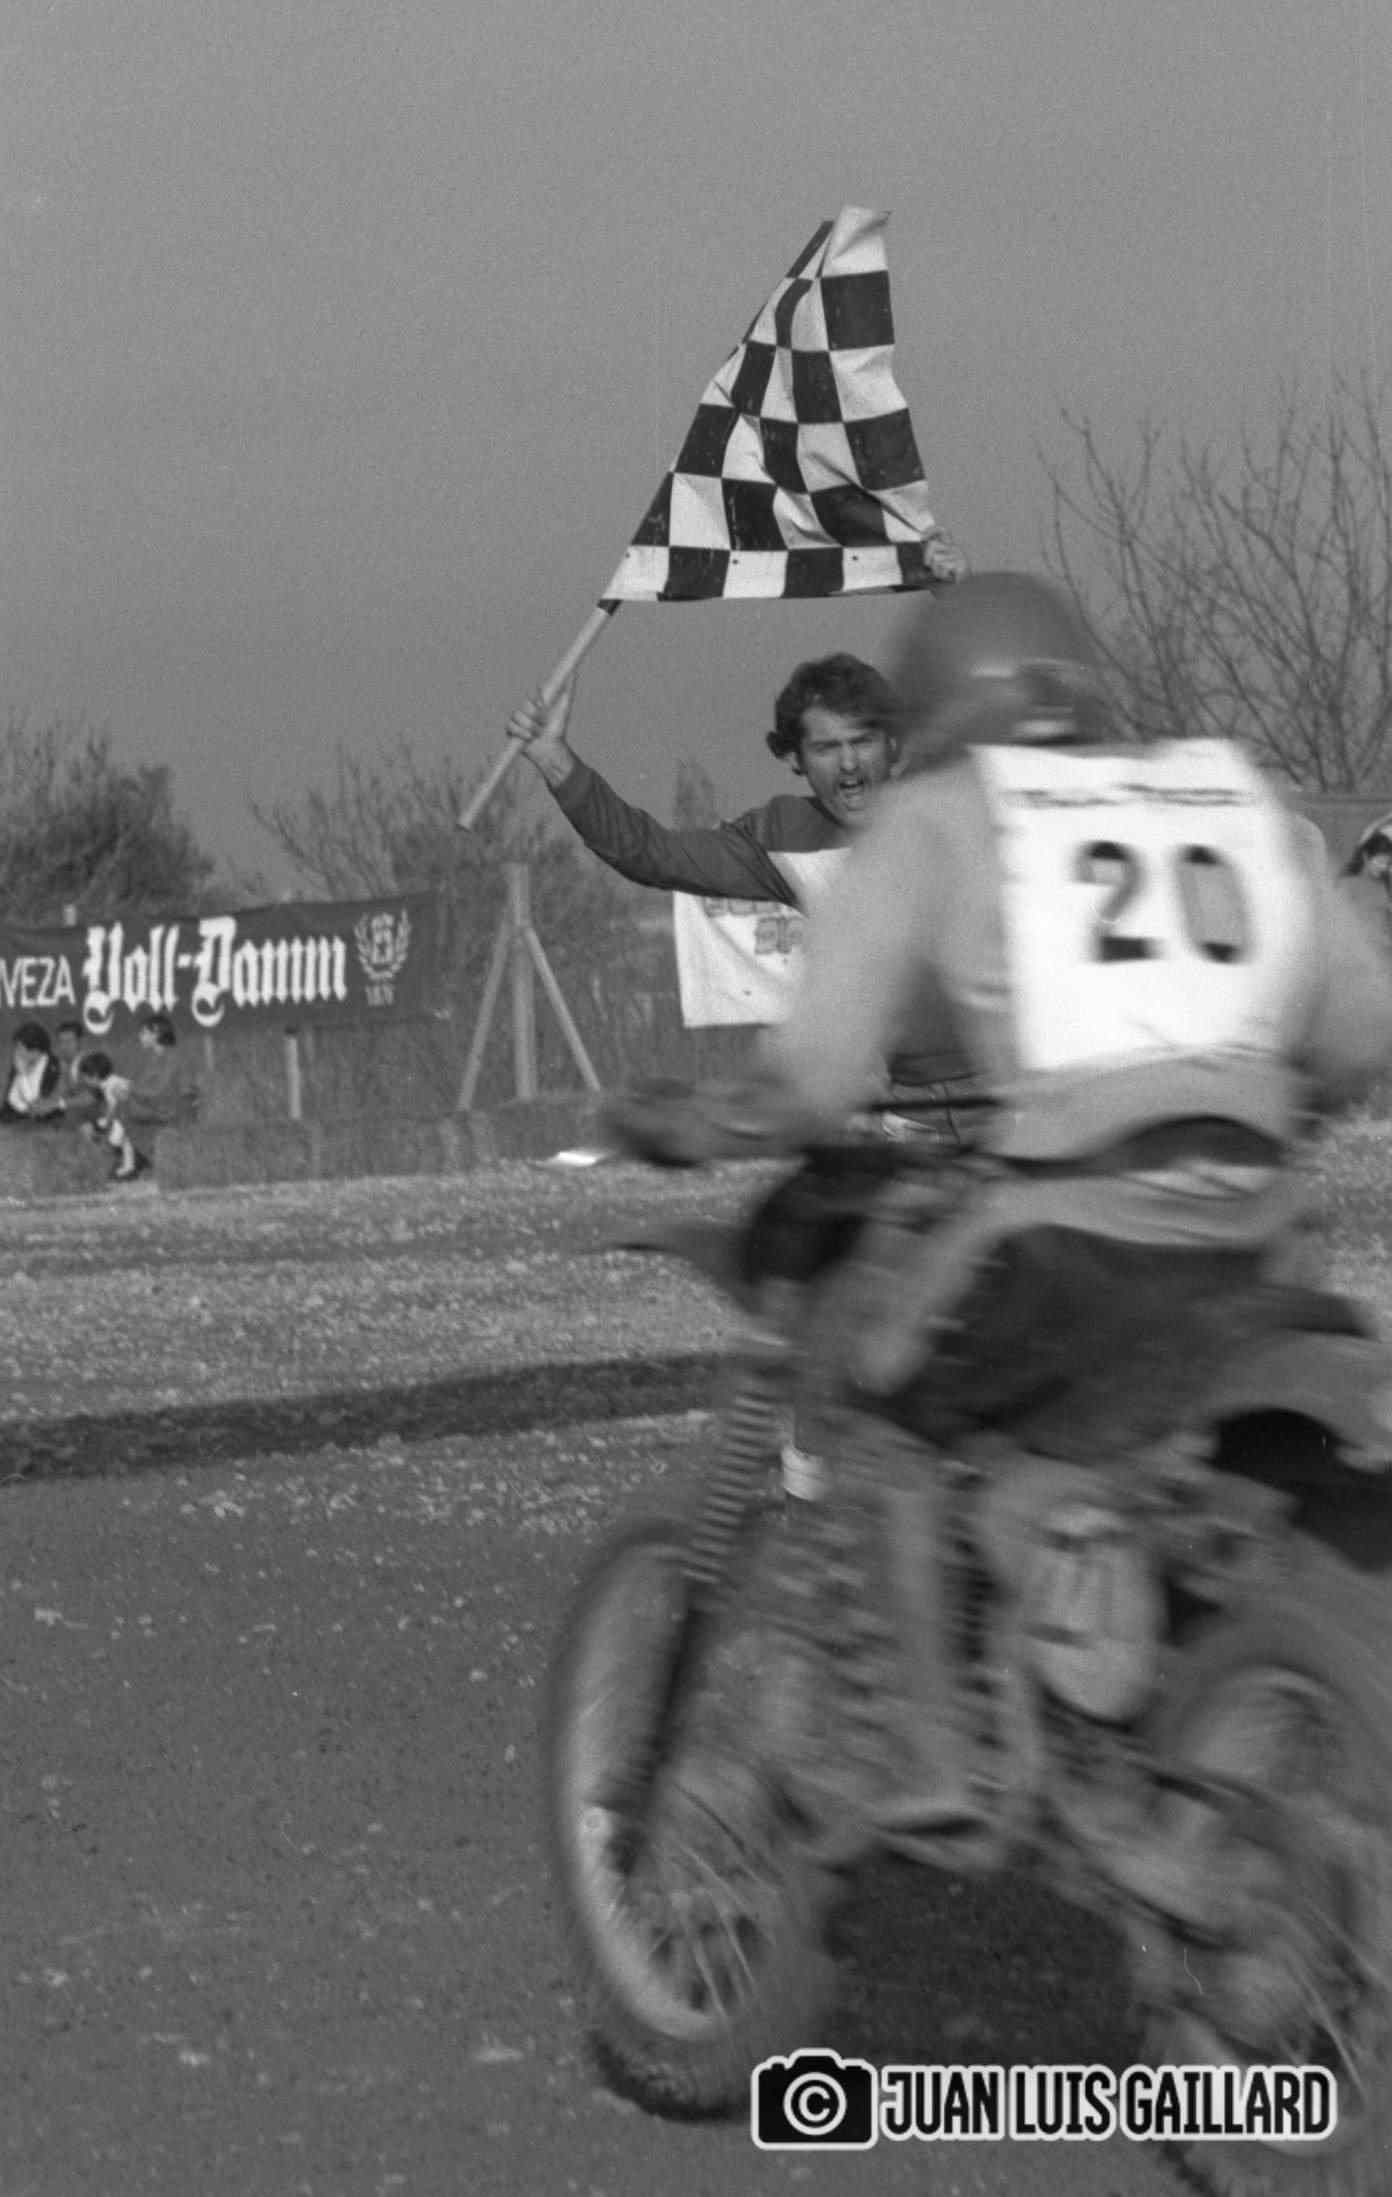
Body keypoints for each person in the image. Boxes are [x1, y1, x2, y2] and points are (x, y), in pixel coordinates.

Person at [657, 571, 1392, 1840]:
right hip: (1258, 1242)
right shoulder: (1235, 798)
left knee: (876, 1401)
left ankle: (928, 1753)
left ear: (927, 710)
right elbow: (1362, 1032)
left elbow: (814, 1080)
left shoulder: (940, 817)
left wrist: (693, 1123)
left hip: (1067, 1244)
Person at [0, 1023, 64, 1124]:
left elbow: (35, 1103)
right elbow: (11, 1096)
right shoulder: (20, 1061)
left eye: (20, 1048)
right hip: (17, 1113)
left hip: (40, 1117)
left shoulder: (52, 1067)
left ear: (35, 1051)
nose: (16, 1052)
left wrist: (22, 1075)